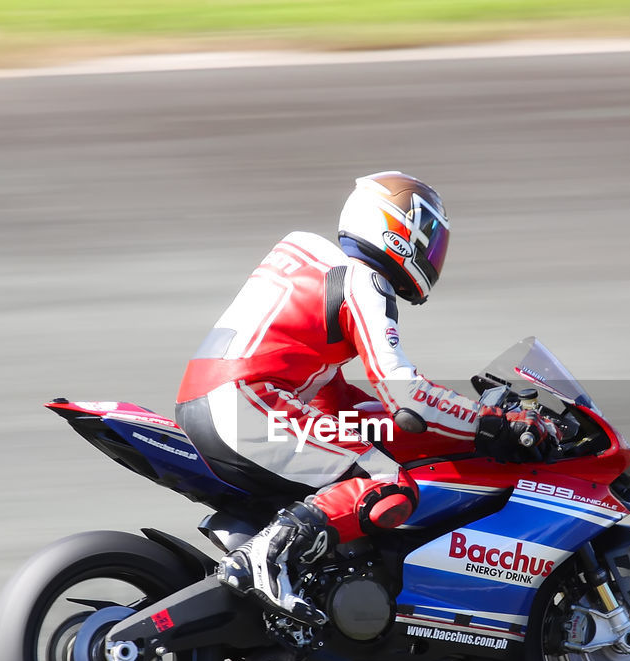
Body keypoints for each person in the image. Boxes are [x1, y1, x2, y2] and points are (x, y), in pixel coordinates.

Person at [176, 171, 555, 626]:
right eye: (429, 237)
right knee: (388, 484)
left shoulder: (309, 256)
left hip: (215, 400)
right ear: (398, 229)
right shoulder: (364, 283)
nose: (434, 254)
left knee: (362, 455)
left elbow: (328, 395)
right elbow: (407, 395)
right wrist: (490, 421)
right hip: (247, 406)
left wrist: (407, 424)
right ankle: (263, 560)